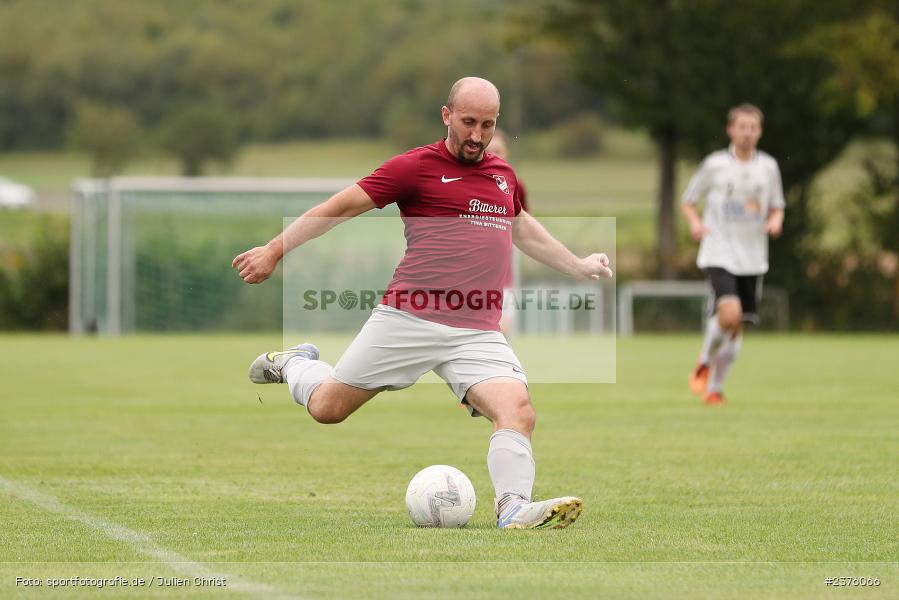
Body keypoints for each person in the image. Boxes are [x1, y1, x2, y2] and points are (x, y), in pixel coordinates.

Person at [232, 77, 613, 529]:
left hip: (476, 330)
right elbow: (339, 207)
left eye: (487, 125)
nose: (476, 135)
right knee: (328, 408)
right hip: (408, 318)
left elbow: (523, 229)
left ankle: (512, 508)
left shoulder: (503, 176)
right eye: (468, 122)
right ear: (446, 115)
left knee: (518, 411)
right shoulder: (413, 168)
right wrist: (276, 249)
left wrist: (579, 265)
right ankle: (295, 363)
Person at [681, 103, 785, 405]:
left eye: (753, 127)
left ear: (760, 132)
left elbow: (777, 204)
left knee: (736, 327)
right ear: (730, 129)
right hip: (719, 251)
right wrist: (696, 223)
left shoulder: (768, 167)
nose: (747, 133)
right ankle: (703, 359)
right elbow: (688, 201)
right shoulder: (715, 165)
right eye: (742, 127)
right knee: (730, 314)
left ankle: (714, 388)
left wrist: (776, 220)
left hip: (753, 256)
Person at [485, 128, 527, 336]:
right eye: (488, 150)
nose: (493, 155)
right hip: (469, 278)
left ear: (506, 154)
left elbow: (523, 230)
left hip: (503, 276)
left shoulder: (516, 186)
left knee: (502, 331)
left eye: (498, 151)